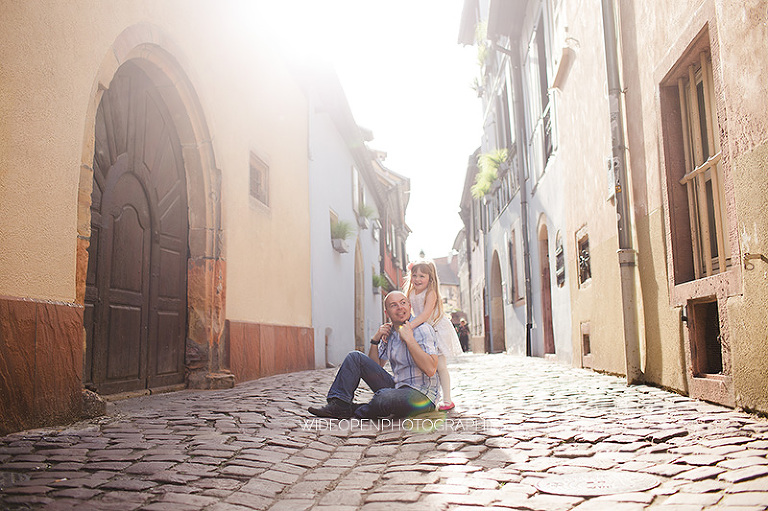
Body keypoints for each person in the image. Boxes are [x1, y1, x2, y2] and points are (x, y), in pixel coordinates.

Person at [307, 291, 439, 419]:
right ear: (387, 313)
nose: (400, 308)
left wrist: (410, 340)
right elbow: (375, 369)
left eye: (403, 302)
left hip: (422, 396)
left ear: (409, 306)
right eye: (393, 305)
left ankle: (356, 410)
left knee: (384, 397)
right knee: (355, 357)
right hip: (398, 387)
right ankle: (340, 404)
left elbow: (430, 369)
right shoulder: (390, 332)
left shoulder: (423, 329)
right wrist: (375, 340)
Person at [403, 260, 463, 411]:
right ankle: (427, 398)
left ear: (430, 277)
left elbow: (425, 314)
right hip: (422, 331)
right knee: (425, 366)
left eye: (422, 276)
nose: (417, 279)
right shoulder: (410, 293)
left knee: (440, 366)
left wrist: (410, 326)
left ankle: (447, 399)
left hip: (437, 329)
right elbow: (409, 313)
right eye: (414, 275)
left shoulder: (431, 293)